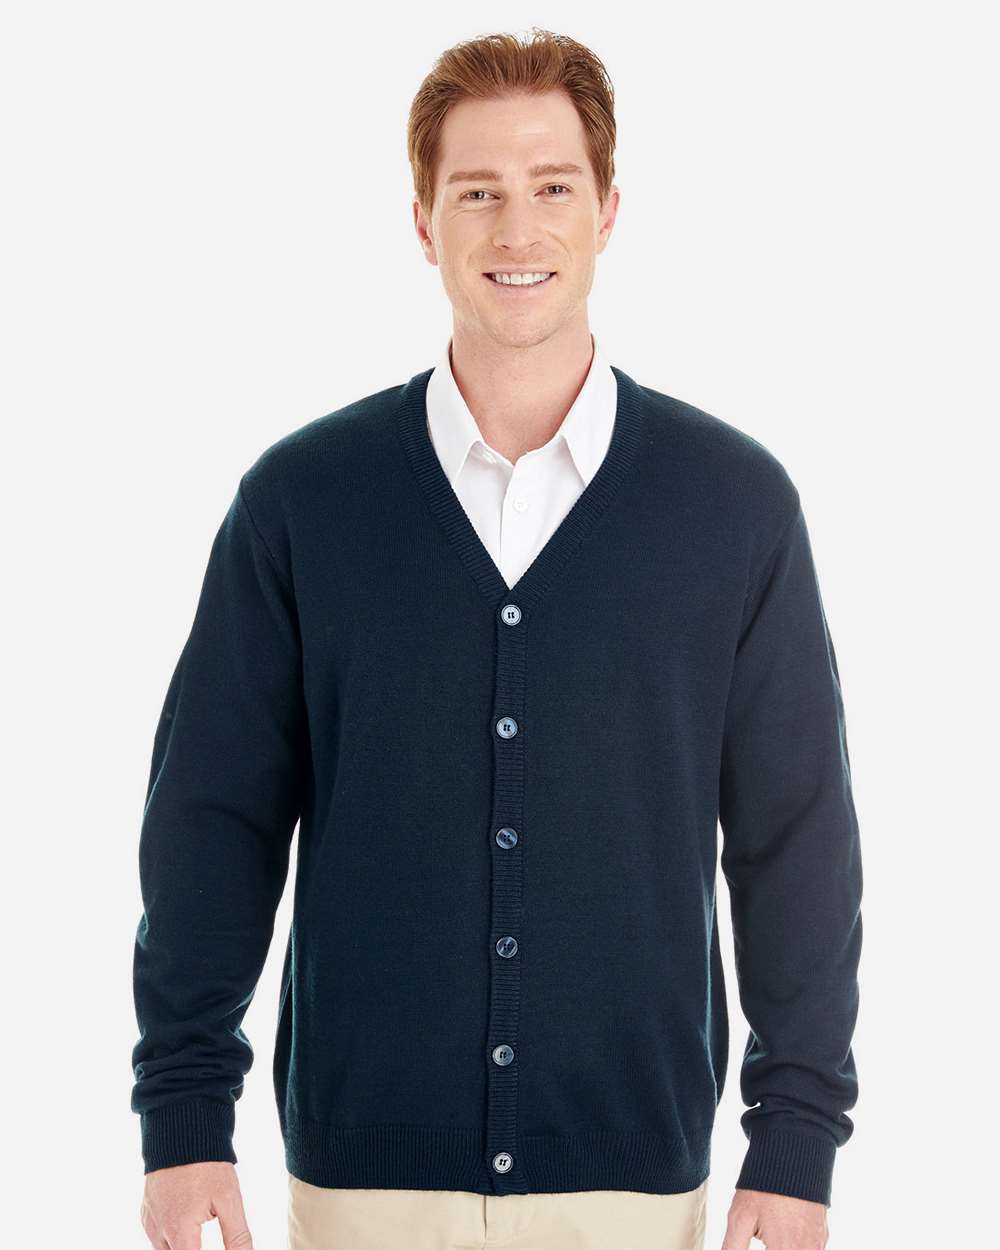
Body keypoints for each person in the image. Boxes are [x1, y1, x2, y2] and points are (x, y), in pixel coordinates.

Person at [131, 27, 863, 1250]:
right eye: (476, 192)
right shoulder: (302, 502)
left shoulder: (734, 505)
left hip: (630, 1181)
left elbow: (797, 844)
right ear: (423, 221)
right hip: (365, 1181)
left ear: (607, 211)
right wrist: (184, 1113)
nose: (516, 229)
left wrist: (796, 1135)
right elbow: (213, 820)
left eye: (552, 187)